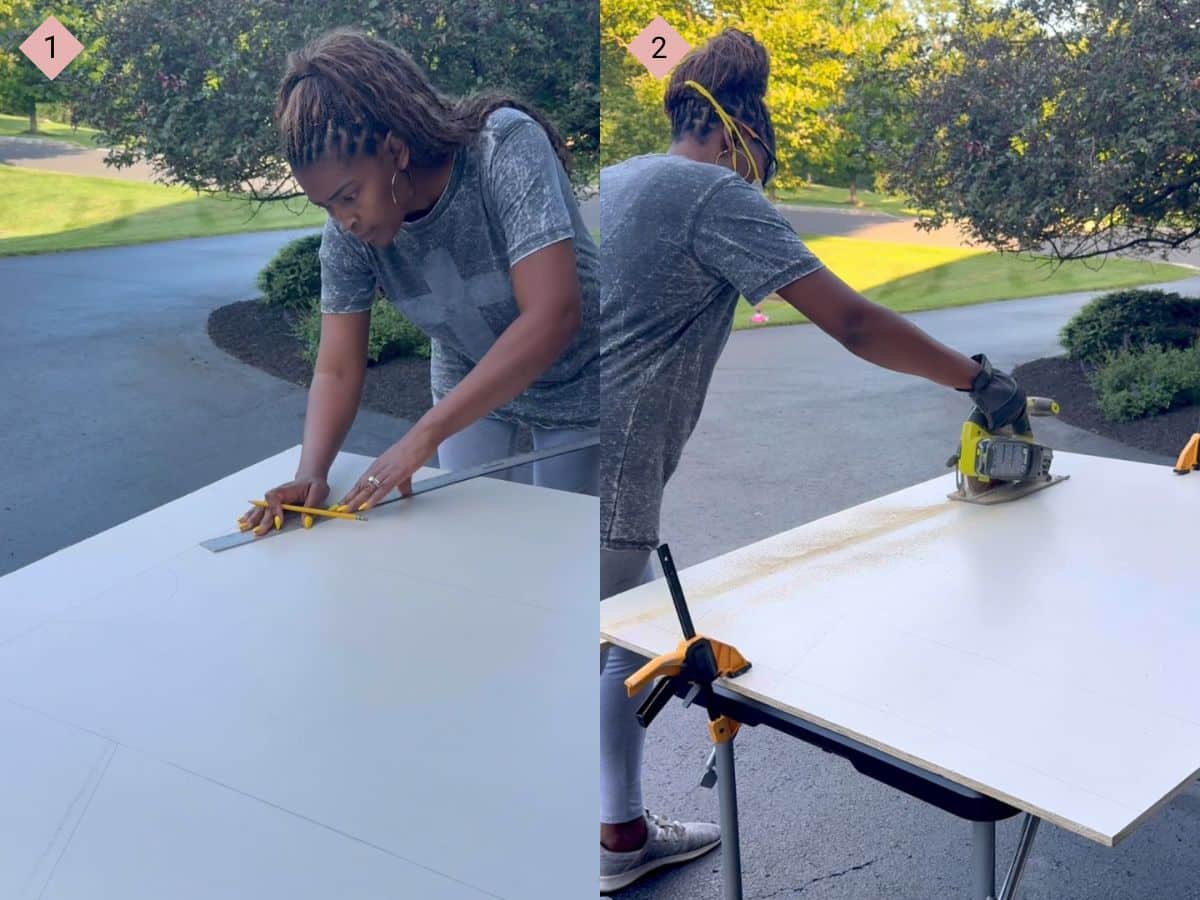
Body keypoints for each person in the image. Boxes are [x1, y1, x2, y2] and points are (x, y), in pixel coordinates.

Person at [598, 28, 1028, 892]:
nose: (754, 171)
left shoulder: (615, 181)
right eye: (756, 152)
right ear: (732, 129)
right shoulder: (710, 190)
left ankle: (620, 834)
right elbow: (856, 323)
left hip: (553, 453)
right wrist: (978, 379)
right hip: (610, 478)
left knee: (615, 645)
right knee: (606, 645)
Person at [237, 28, 598, 537]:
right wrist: (310, 473)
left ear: (396, 150)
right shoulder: (346, 232)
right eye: (327, 206)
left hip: (580, 382)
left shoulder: (503, 147)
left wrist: (421, 437)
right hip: (468, 380)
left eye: (348, 195)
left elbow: (553, 315)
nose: (344, 220)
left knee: (576, 552)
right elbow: (338, 369)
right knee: (468, 543)